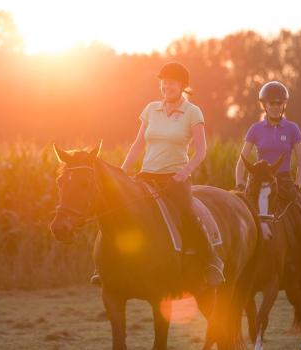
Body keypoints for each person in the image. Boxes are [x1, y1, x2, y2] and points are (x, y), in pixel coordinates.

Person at [91, 62, 225, 288]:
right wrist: (123, 172)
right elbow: (137, 144)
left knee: (188, 214)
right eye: (163, 82)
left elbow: (201, 151)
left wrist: (184, 173)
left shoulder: (193, 112)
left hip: (175, 177)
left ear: (182, 85)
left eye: (171, 82)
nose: (166, 86)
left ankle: (211, 261)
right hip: (146, 175)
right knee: (117, 211)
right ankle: (105, 265)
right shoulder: (151, 109)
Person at [234, 81, 301, 289]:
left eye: (279, 103)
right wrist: (240, 183)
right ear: (264, 105)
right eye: (271, 103)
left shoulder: (292, 129)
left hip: (283, 181)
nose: (275, 106)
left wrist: (298, 185)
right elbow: (242, 160)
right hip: (257, 182)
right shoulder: (255, 129)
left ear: (284, 105)